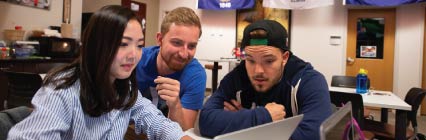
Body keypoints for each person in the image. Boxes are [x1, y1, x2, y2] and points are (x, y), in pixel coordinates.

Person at [7, 5, 191, 140]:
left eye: (139, 45)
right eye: (123, 44)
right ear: (97, 45)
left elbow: (153, 119)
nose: (133, 55)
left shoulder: (123, 87)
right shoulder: (62, 90)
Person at [199, 19, 332, 139]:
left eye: (268, 61)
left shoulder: (309, 80)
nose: (258, 71)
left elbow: (314, 135)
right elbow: (206, 121)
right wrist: (263, 116)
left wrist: (241, 123)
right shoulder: (237, 77)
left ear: (285, 58)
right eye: (250, 61)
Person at [135, 7, 206, 130]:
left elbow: (184, 131)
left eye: (191, 46)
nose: (184, 54)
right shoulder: (137, 60)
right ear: (160, 39)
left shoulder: (195, 75)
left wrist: (175, 105)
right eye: (177, 43)